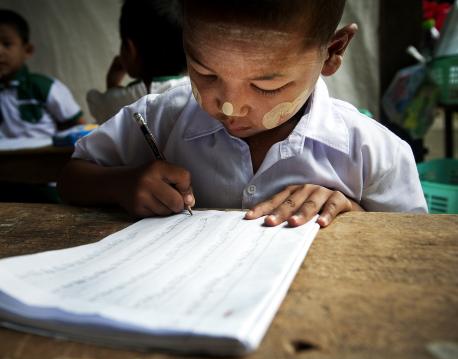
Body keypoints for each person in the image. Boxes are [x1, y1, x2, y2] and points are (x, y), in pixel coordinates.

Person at [58, 0, 428, 228]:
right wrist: (123, 183)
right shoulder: (161, 118)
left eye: (267, 86)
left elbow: (413, 247)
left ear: (332, 52)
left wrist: (353, 215)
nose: (229, 106)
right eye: (205, 73)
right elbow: (71, 177)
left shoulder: (373, 152)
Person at [86, 0, 188, 124]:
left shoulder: (125, 99)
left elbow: (100, 108)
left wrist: (112, 83)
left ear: (130, 49)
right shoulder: (195, 91)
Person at [0, 9, 85, 138]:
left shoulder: (45, 86)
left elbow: (79, 127)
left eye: (7, 44)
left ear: (27, 50)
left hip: (45, 157)